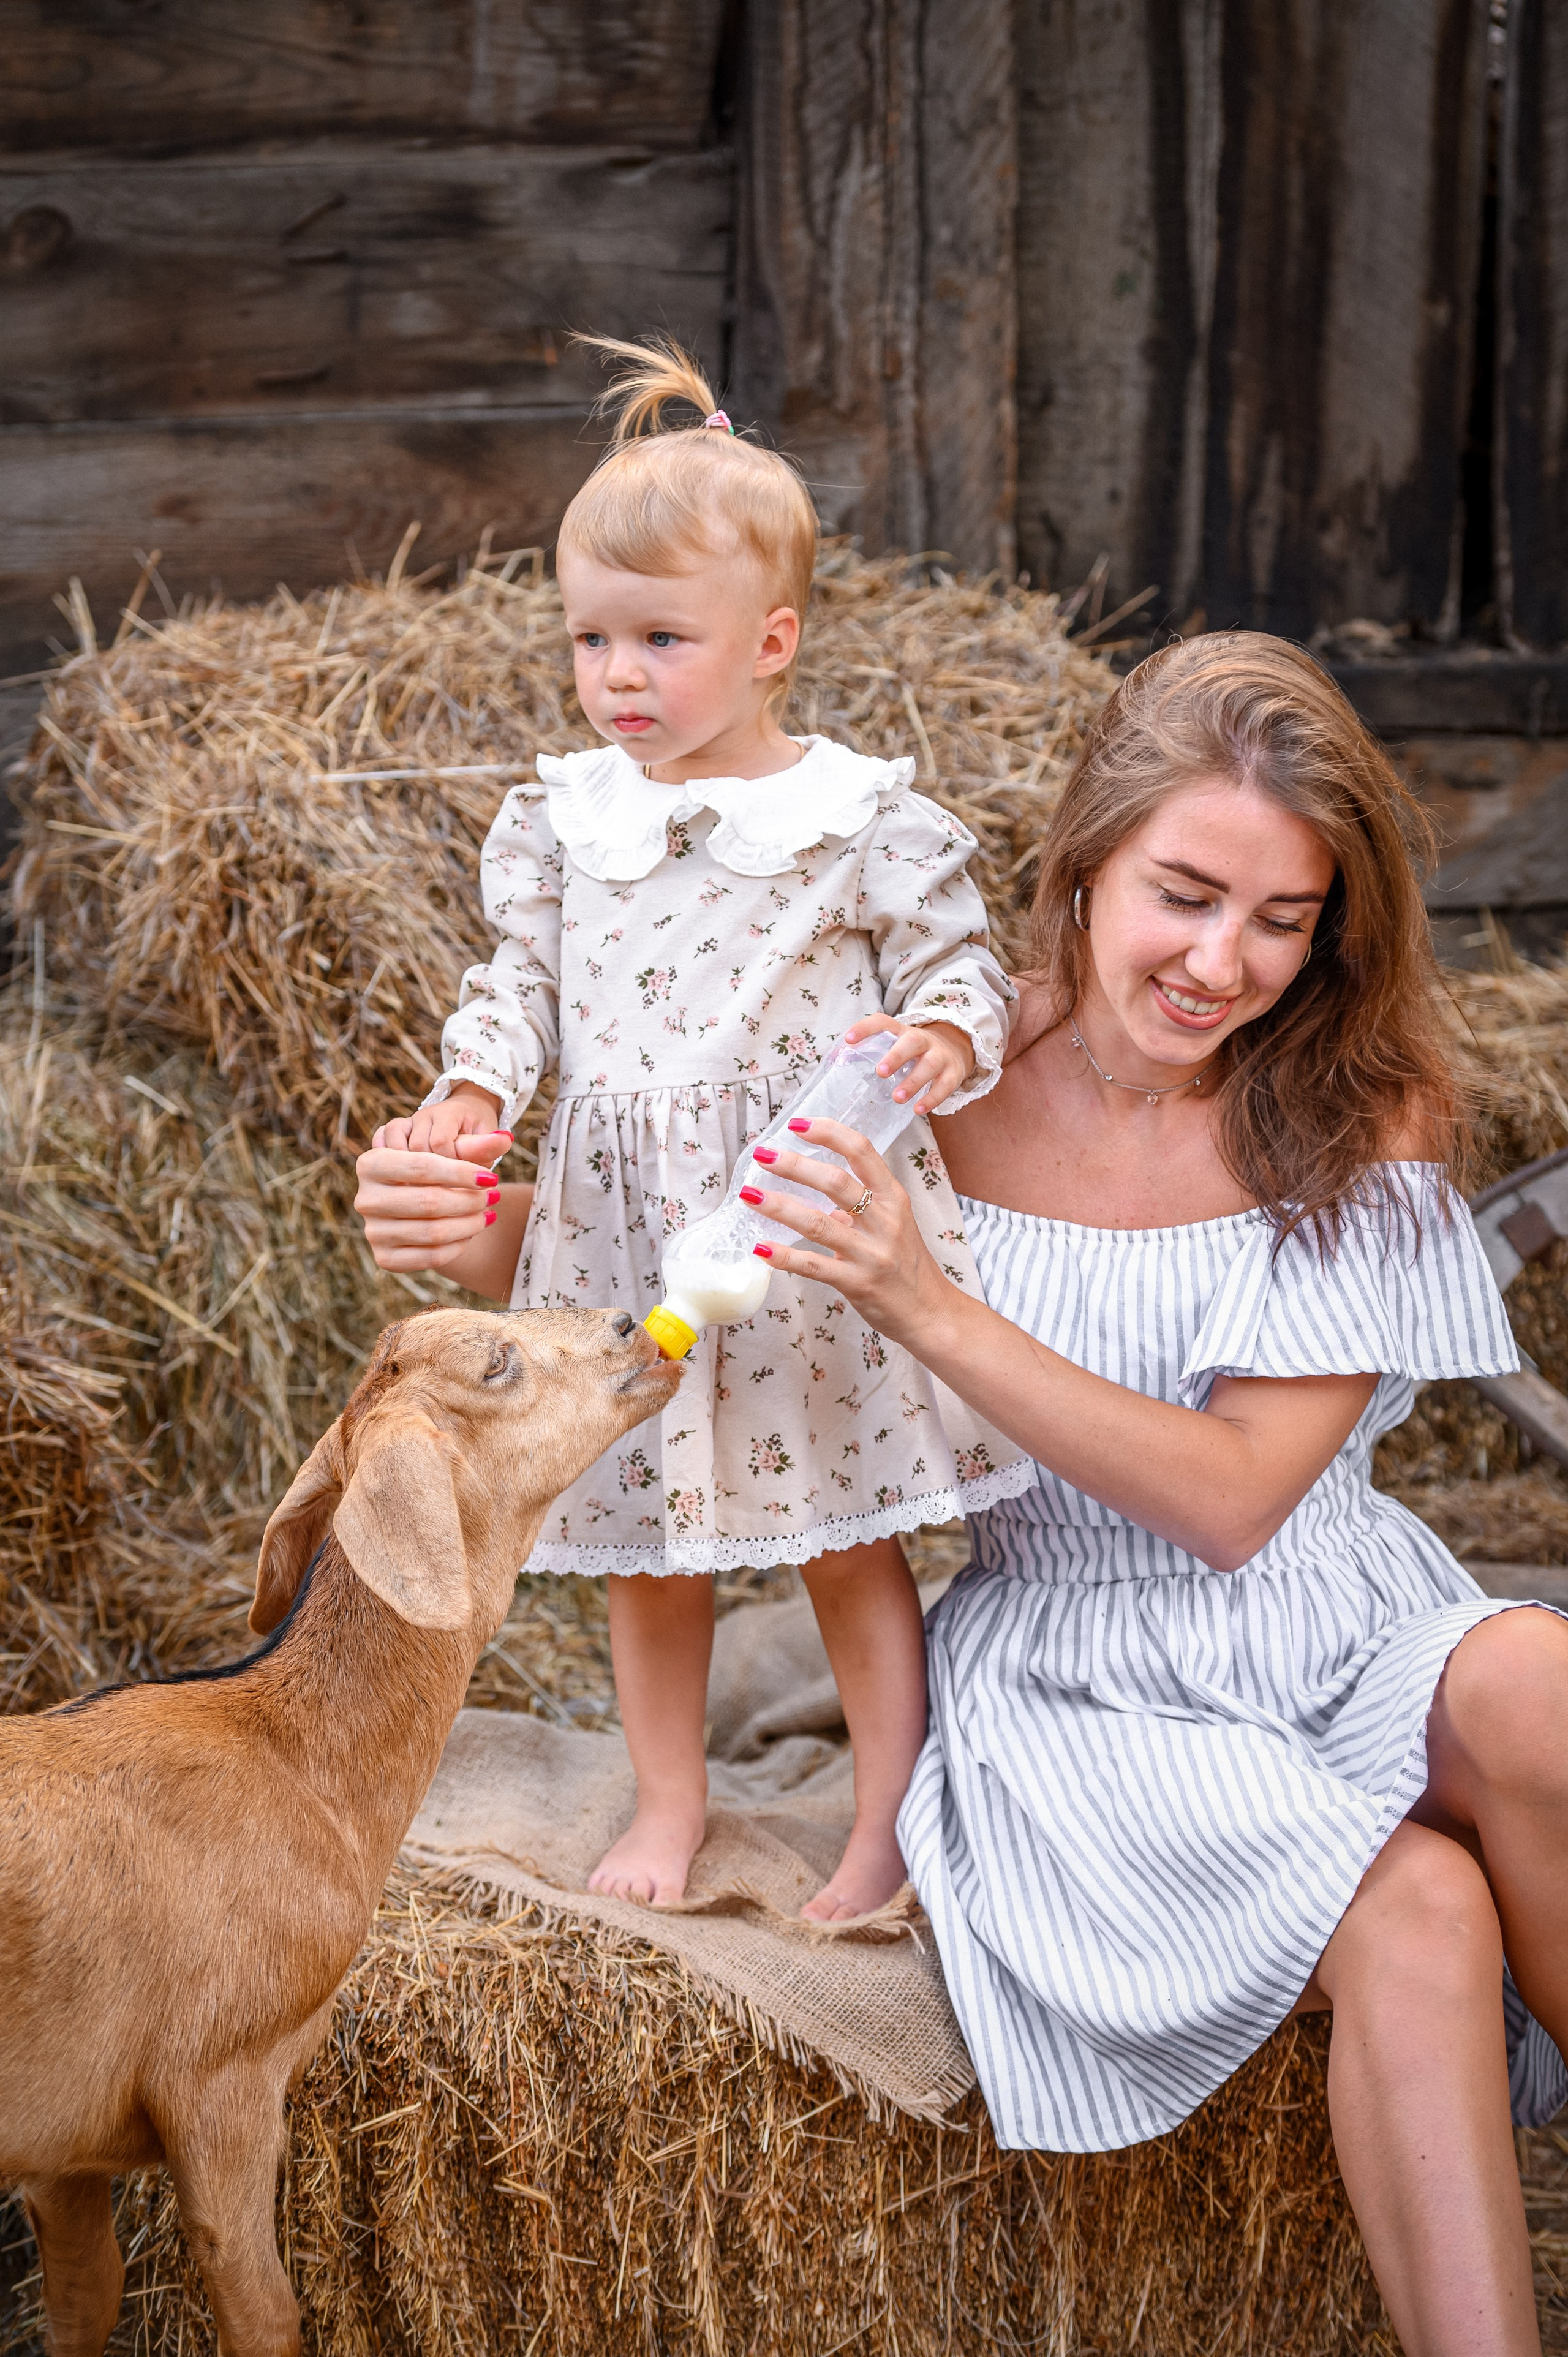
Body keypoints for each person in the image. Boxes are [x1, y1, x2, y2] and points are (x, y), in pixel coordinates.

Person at [739, 633, 1568, 2356]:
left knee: (1545, 1687)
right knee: (1421, 1912)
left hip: (1338, 1610)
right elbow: (707, 1260)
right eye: (1184, 895)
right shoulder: (933, 1079)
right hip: (1085, 1672)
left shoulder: (1362, 1105)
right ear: (1082, 860)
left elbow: (1242, 1500)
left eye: (1285, 921)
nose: (1225, 964)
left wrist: (933, 1307)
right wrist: (484, 1226)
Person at [356, 338, 1031, 1922]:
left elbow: (962, 969)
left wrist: (936, 1035)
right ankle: (672, 1802)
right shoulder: (565, 822)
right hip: (623, 1238)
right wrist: (475, 1091)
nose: (619, 678)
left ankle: (881, 1823)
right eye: (592, 640)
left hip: (790, 1229)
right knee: (654, 1548)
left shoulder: (858, 819)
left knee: (839, 1545)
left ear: (771, 641)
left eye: (662, 639)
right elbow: (516, 986)